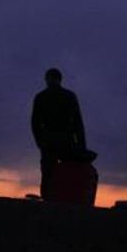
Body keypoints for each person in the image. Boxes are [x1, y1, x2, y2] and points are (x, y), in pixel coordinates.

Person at [31, 68, 88, 200]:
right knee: (68, 172)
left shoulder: (41, 97)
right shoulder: (70, 96)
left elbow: (35, 123)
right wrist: (81, 145)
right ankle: (66, 199)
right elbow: (78, 124)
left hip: (48, 141)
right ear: (60, 79)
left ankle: (47, 200)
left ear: (47, 79)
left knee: (47, 173)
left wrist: (40, 142)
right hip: (67, 141)